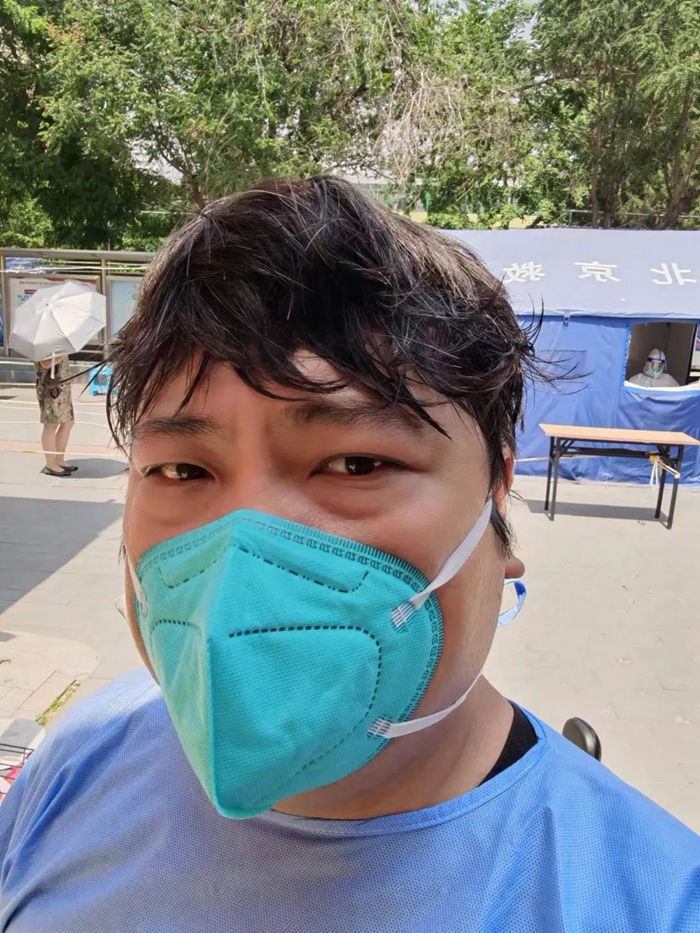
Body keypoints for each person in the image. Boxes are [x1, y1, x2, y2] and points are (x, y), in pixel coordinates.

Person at [0, 178, 698, 933]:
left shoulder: (647, 901)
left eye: (355, 464)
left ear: (496, 496)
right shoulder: (81, 756)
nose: (242, 553)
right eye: (182, 470)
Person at [35, 354, 77, 476]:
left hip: (62, 387)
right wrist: (62, 354)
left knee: (68, 422)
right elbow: (45, 364)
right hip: (50, 387)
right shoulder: (44, 344)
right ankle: (50, 464)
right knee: (50, 425)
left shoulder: (59, 344)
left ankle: (59, 459)